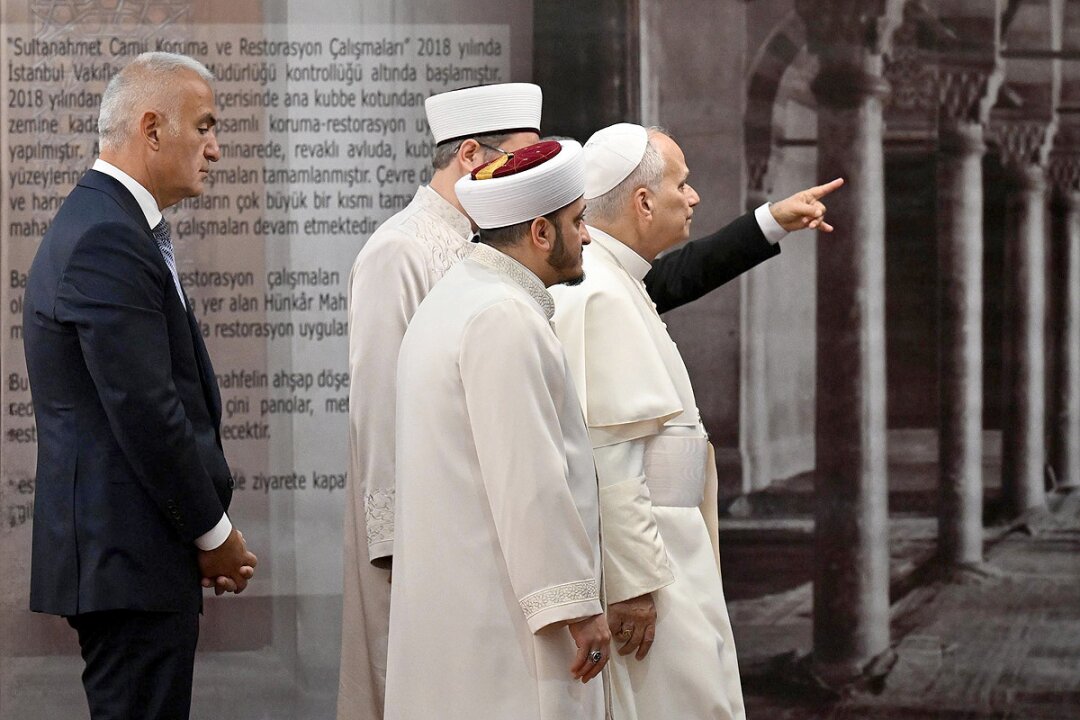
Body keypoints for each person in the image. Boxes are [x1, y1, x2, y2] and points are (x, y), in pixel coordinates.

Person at [551, 123, 841, 720]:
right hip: (651, 558)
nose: (694, 196)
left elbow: (681, 275)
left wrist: (771, 220)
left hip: (669, 542)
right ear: (642, 202)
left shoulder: (615, 276)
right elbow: (611, 455)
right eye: (681, 184)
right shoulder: (598, 290)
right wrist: (633, 584)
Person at [22, 52, 257, 720]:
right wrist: (213, 535)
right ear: (152, 130)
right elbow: (146, 410)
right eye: (205, 126)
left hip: (133, 557)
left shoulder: (110, 222)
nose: (215, 149)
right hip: (128, 558)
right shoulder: (107, 234)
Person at [338, 82, 546, 720]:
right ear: (470, 156)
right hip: (415, 529)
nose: (527, 176)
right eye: (517, 159)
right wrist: (394, 541)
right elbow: (378, 403)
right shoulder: (400, 249)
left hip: (474, 518)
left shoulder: (488, 243)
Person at [384, 139, 610, 719]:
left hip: (463, 607)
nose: (588, 236)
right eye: (578, 221)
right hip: (502, 624)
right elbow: (529, 482)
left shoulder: (462, 295)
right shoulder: (502, 316)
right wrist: (578, 606)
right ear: (541, 232)